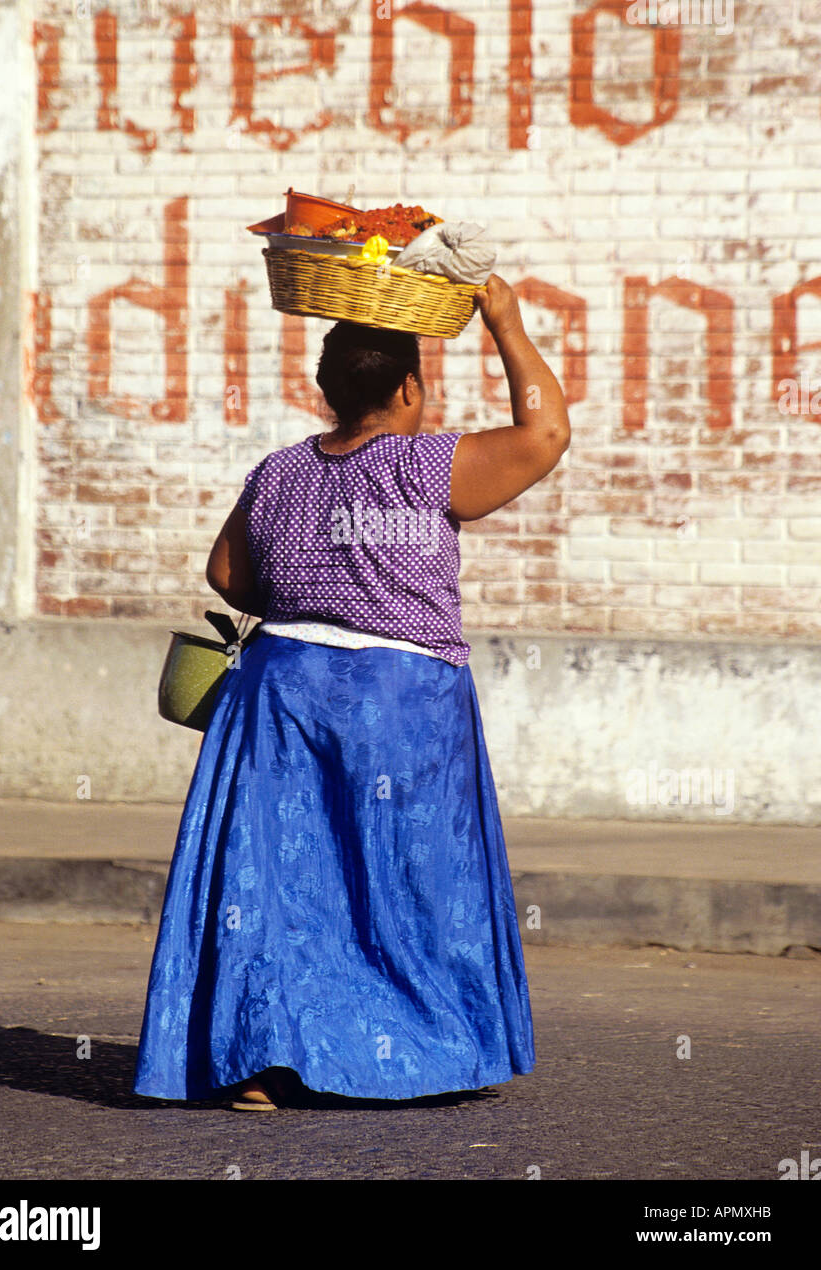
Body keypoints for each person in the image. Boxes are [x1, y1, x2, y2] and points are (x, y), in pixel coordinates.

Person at [133, 274, 570, 1110]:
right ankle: (410, 1054)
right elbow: (545, 431)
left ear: (328, 391)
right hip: (400, 702)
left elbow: (226, 572)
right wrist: (506, 322)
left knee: (274, 884)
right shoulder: (427, 465)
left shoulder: (281, 472)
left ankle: (259, 1062)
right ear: (408, 388)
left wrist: (315, 592)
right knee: (406, 879)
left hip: (282, 693)